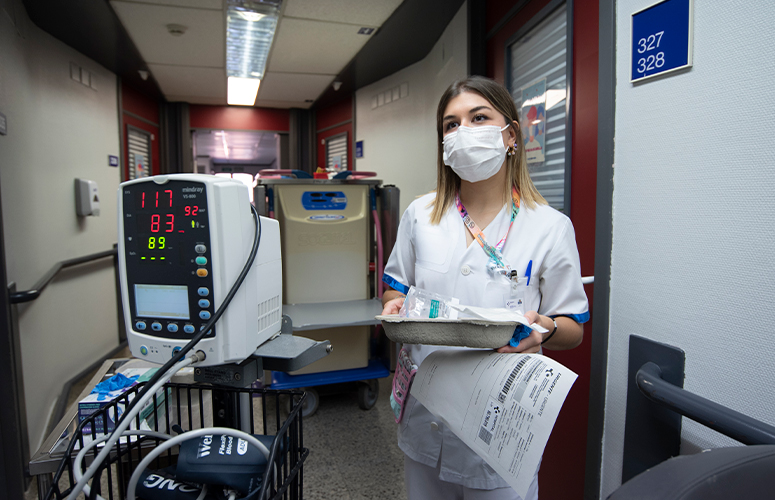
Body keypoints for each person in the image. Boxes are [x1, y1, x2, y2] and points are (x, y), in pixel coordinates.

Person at [380, 76, 589, 500]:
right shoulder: (420, 215)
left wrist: (544, 328)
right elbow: (394, 289)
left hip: (502, 424)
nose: (463, 132)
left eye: (478, 118)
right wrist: (397, 305)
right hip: (426, 414)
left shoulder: (549, 226)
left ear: (510, 135)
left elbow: (573, 326)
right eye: (451, 124)